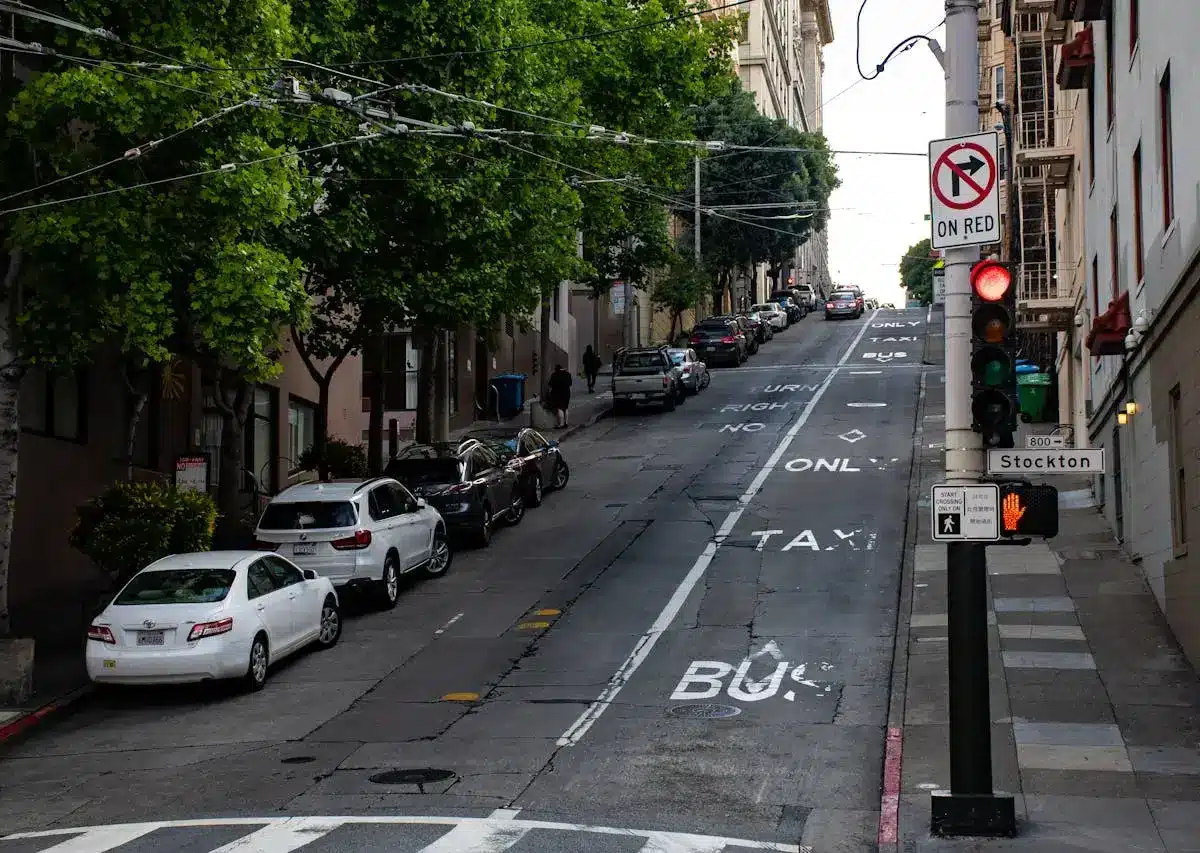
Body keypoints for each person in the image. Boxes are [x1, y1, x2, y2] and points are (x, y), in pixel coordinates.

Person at [547, 363, 573, 428]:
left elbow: (550, 384)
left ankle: (561, 424)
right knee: (566, 408)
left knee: (560, 408)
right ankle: (566, 423)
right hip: (567, 393)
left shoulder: (554, 375)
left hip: (557, 393)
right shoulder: (568, 374)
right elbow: (570, 384)